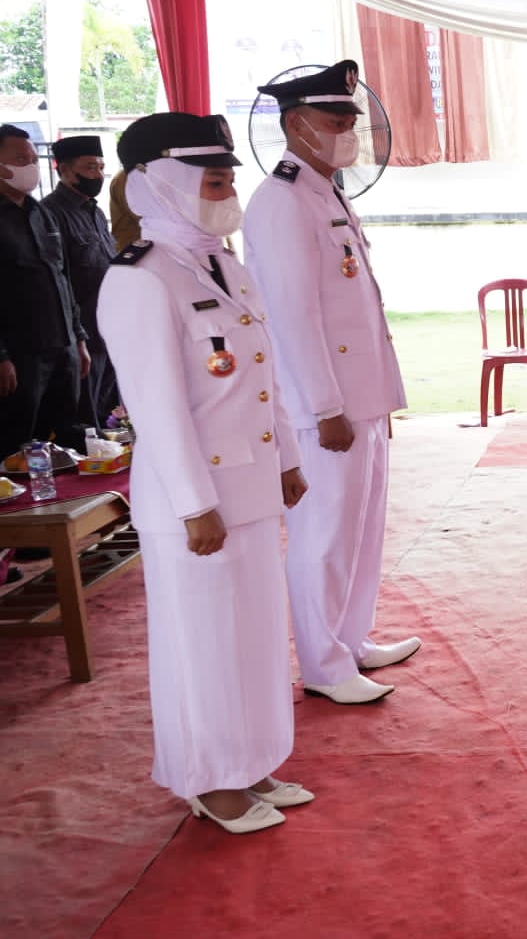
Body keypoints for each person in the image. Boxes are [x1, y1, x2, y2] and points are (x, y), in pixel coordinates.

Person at [98, 111, 313, 835]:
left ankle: (251, 763)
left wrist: (286, 455)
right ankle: (207, 781)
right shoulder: (138, 280)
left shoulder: (222, 264)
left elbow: (264, 377)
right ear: (157, 183)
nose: (224, 184)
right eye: (208, 174)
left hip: (248, 485)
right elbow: (156, 410)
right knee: (202, 643)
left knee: (252, 633)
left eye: (226, 173)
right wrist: (195, 504)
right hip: (193, 501)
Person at [242, 60, 418, 706]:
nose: (347, 131)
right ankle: (322, 664)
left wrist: (374, 398)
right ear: (295, 124)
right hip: (326, 407)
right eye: (334, 120)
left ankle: (350, 638)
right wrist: (324, 407)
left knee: (362, 526)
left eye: (350, 120)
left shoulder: (326, 189)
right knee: (323, 532)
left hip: (360, 396)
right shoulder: (282, 201)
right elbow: (293, 316)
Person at [0, 123, 90, 458]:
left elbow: (62, 276)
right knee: (15, 441)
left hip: (62, 345)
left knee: (66, 439)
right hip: (20, 353)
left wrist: (78, 337)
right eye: (21, 158)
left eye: (33, 158)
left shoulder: (41, 213)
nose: (31, 166)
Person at [43, 135, 120, 429]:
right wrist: (76, 337)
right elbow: (58, 280)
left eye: (101, 167)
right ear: (63, 170)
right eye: (90, 167)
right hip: (83, 332)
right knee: (87, 418)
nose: (98, 175)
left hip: (108, 327)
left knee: (111, 412)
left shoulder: (96, 212)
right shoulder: (50, 214)